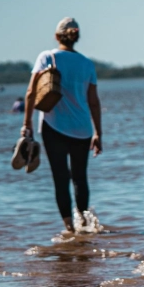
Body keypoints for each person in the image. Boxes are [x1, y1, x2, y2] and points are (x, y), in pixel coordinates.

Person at [22, 18, 102, 232]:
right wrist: (98, 133)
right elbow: (93, 101)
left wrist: (26, 124)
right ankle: (85, 224)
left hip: (53, 126)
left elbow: (31, 92)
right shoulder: (87, 64)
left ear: (57, 36)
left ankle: (70, 229)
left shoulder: (47, 57)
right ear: (76, 37)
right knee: (80, 178)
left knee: (60, 178)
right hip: (83, 128)